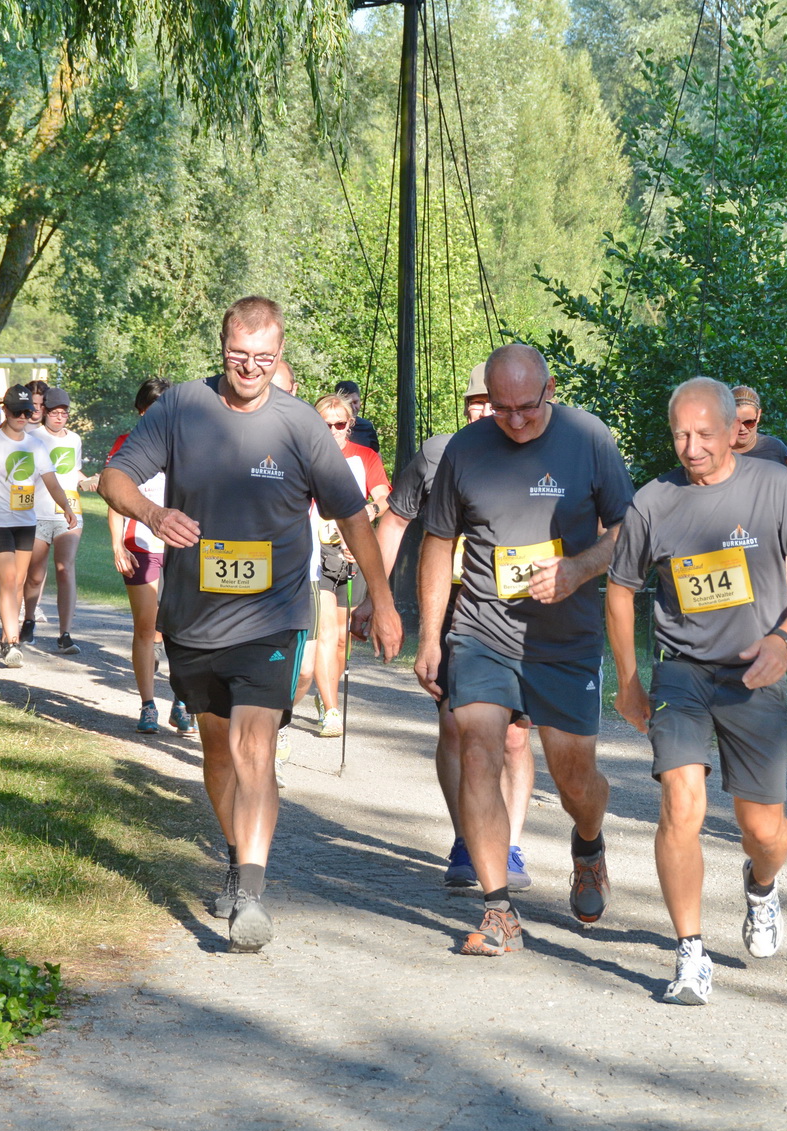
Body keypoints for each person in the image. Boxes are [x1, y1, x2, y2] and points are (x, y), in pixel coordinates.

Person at [101, 295, 403, 953]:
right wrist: (153, 515)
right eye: (239, 355)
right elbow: (114, 477)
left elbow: (353, 514)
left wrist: (380, 598)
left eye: (264, 358)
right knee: (218, 751)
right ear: (222, 348)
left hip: (273, 615)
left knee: (254, 745)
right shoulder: (183, 407)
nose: (250, 368)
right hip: (194, 616)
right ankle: (238, 857)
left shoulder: (301, 426)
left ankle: (254, 896)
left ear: (280, 353)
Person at [607, 376, 787, 1005]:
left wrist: (784, 641)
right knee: (681, 805)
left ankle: (761, 886)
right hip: (680, 672)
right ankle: (691, 953)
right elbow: (620, 591)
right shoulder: (653, 502)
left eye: (704, 434)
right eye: (680, 434)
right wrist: (628, 681)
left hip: (754, 673)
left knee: (765, 831)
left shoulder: (774, 487)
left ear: (735, 430)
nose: (692, 447)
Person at [405, 343, 632, 957]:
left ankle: (589, 843)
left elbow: (626, 531)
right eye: (501, 408)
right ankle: (498, 909)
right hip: (482, 630)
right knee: (478, 749)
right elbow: (437, 541)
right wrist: (429, 636)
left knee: (574, 777)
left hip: (564, 640)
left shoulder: (588, 439)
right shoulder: (465, 450)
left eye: (526, 407)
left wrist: (579, 569)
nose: (514, 420)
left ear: (549, 390)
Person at [374, 364, 538, 889]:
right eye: (477, 401)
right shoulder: (438, 453)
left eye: (496, 401)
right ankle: (467, 838)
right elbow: (395, 521)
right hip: (454, 607)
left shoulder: (538, 453)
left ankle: (510, 846)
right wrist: (374, 597)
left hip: (520, 610)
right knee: (455, 726)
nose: (486, 410)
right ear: (465, 406)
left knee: (514, 738)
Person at [0, 383, 79, 669]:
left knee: (18, 583)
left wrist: (66, 507)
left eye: (27, 412)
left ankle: (7, 636)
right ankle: (12, 643)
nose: (22, 417)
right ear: (5, 411)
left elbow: (51, 481)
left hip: (26, 524)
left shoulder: (35, 445)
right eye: (17, 412)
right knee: (9, 579)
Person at [107, 377, 193, 735]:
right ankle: (147, 705)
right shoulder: (126, 444)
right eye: (147, 410)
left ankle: (182, 702)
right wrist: (117, 544)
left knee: (184, 629)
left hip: (182, 547)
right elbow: (115, 497)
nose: (152, 417)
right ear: (140, 411)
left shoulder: (189, 443)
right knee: (146, 625)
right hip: (140, 543)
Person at [308, 393, 390, 738]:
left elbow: (384, 496)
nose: (332, 431)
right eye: (325, 425)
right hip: (315, 553)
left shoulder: (364, 456)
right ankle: (331, 708)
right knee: (326, 632)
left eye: (339, 424)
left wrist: (368, 513)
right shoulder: (307, 454)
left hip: (351, 553)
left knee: (342, 639)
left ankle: (326, 694)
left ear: (350, 425)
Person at [21, 386, 86, 654]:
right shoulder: (33, 438)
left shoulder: (75, 440)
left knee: (65, 569)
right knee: (35, 574)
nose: (59, 418)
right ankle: (29, 620)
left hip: (68, 513)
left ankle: (65, 634)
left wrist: (88, 480)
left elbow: (74, 471)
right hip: (38, 513)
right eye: (55, 413)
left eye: (64, 413)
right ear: (45, 412)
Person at [731, 385, 787, 485]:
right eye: (736, 422)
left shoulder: (776, 449)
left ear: (758, 415)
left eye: (749, 422)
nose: (742, 428)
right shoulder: (718, 452)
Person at [333, 380, 380, 453]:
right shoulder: (329, 426)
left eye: (355, 402)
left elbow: (376, 454)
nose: (353, 407)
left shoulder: (366, 427)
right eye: (348, 403)